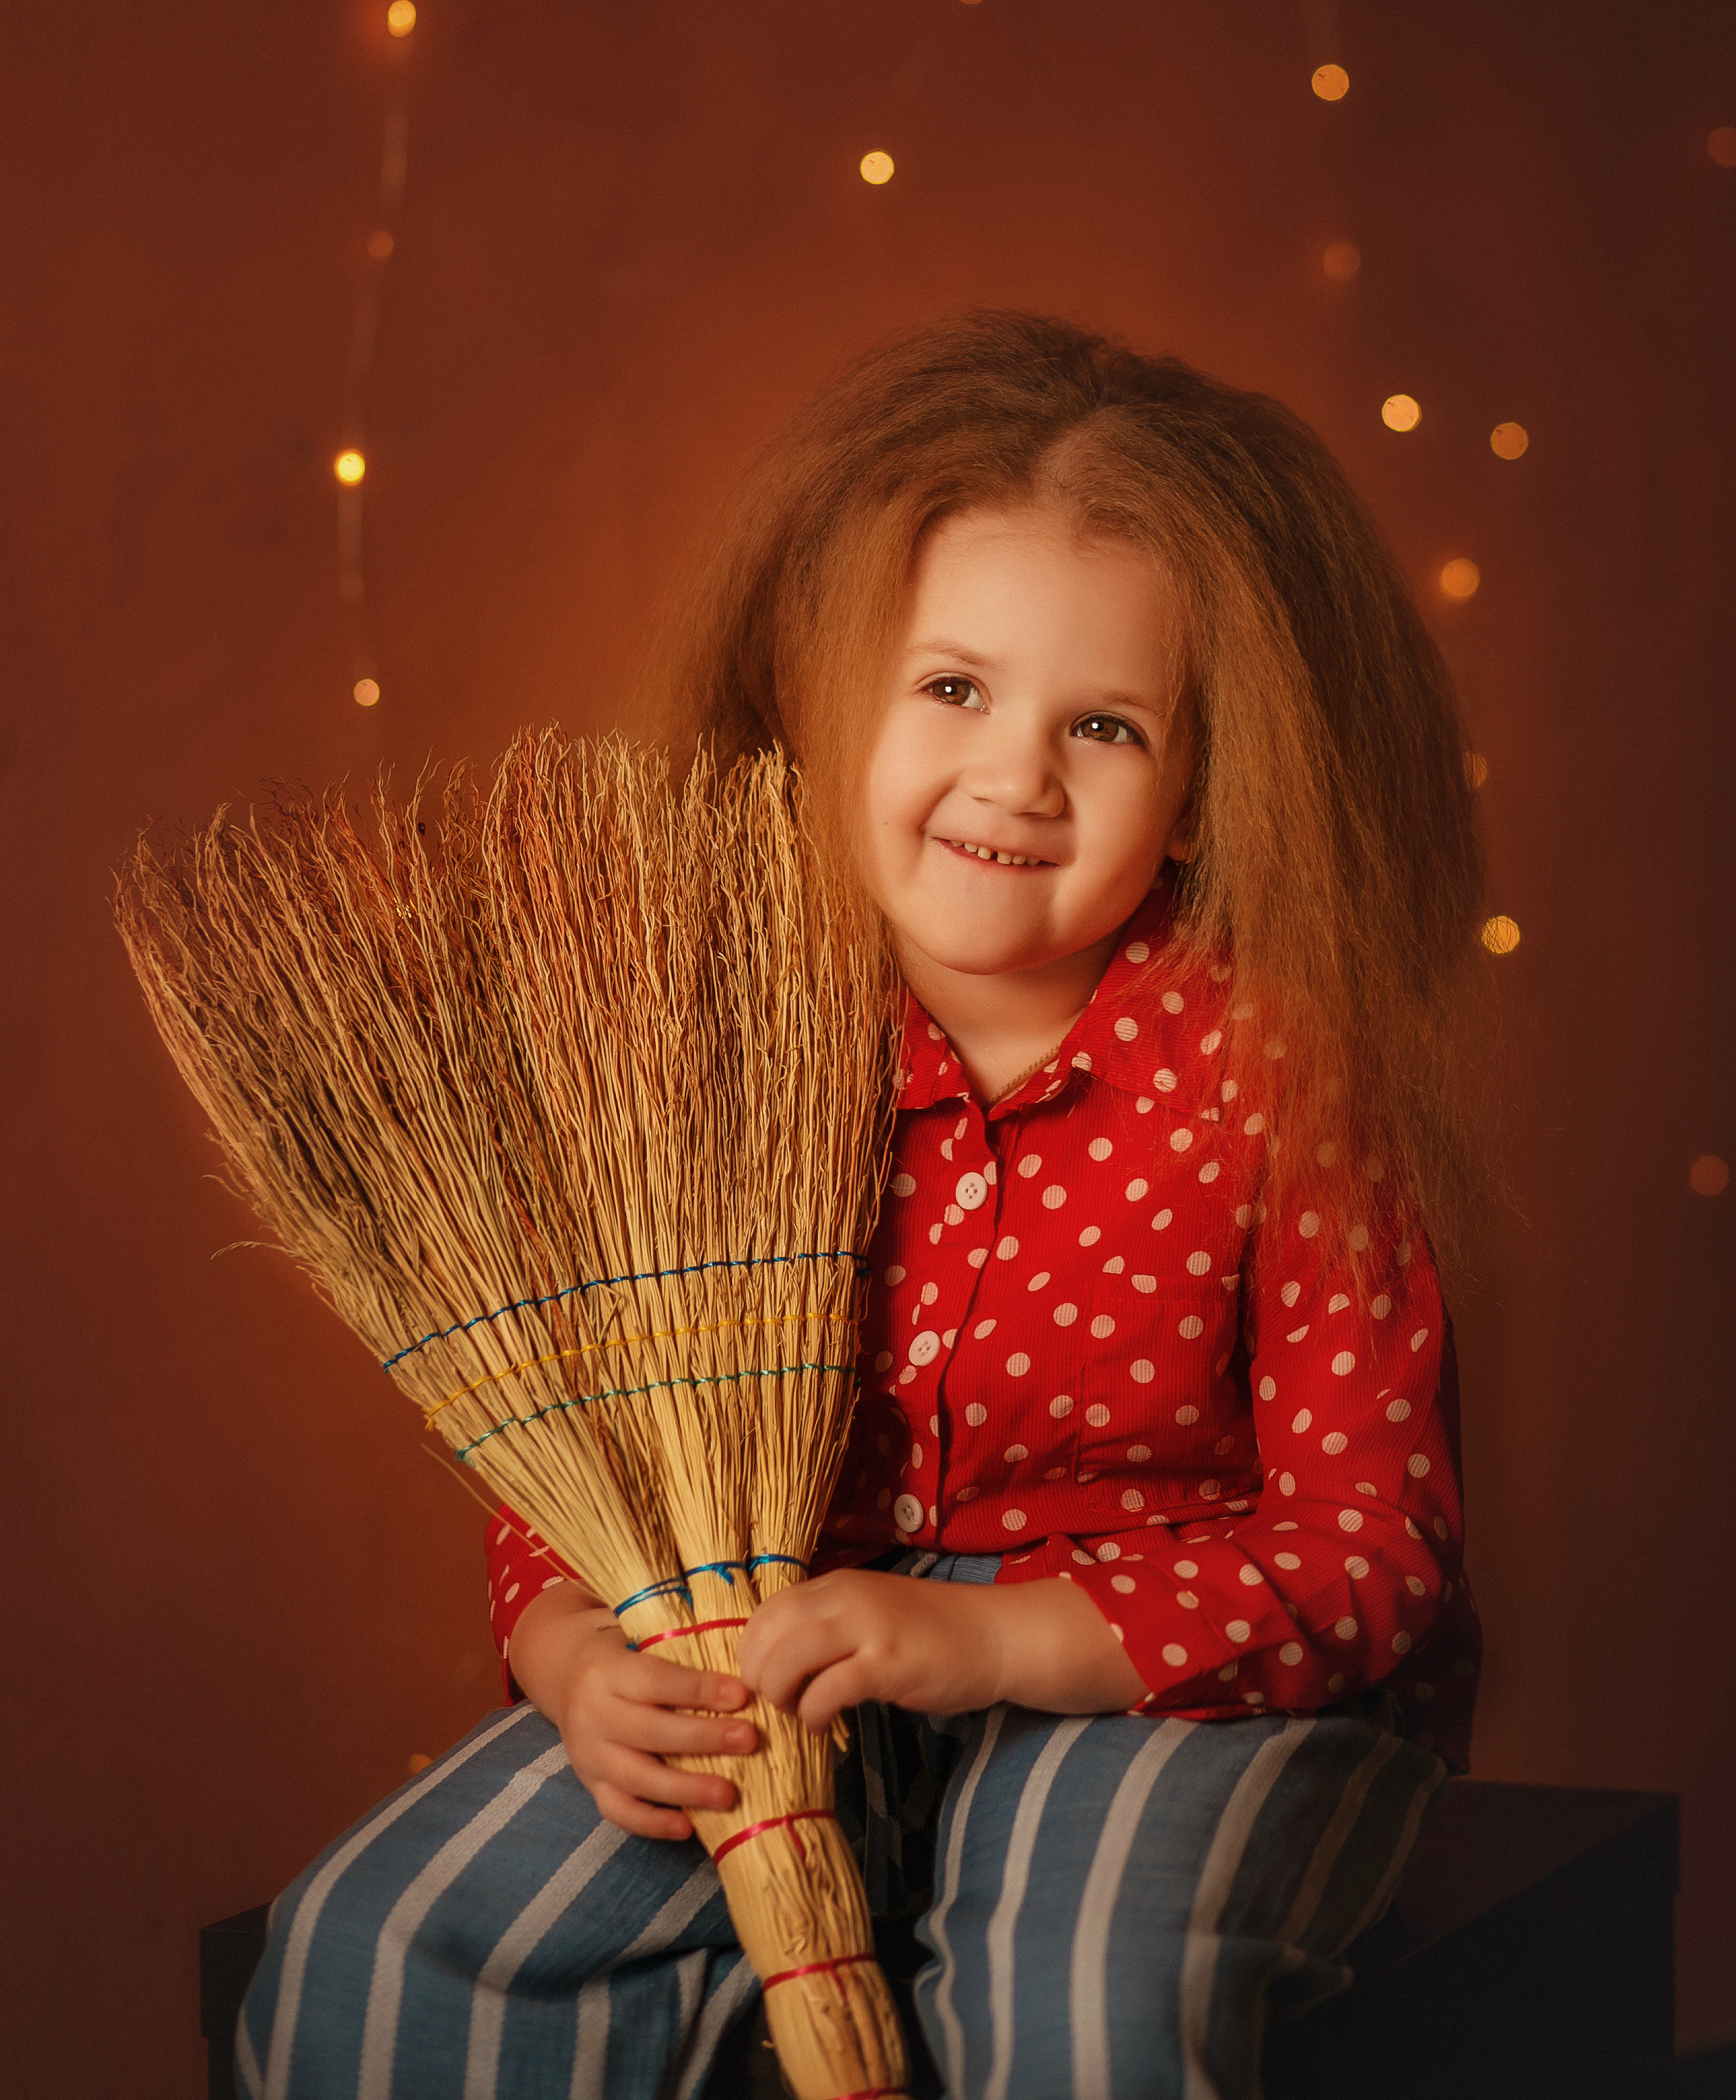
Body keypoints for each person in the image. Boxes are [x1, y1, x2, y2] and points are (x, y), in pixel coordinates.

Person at [239, 315, 1485, 2100]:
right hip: (780, 1659)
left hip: (1164, 1680)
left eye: (1107, 726)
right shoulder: (722, 1034)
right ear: (840, 698)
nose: (1017, 777)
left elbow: (1377, 1554)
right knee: (387, 1947)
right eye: (955, 689)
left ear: (1202, 794)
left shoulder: (1283, 1081)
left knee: (1084, 2006)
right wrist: (575, 1651)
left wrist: (994, 1641)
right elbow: (581, 1433)